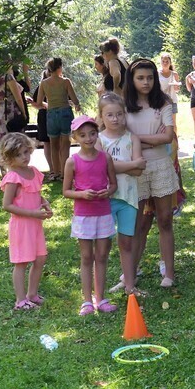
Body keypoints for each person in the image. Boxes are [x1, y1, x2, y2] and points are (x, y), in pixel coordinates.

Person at [124, 58, 179, 288]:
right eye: (140, 78)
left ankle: (169, 273)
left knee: (165, 219)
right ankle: (129, 274)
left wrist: (137, 139)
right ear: (132, 80)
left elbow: (167, 137)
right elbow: (120, 137)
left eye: (149, 78)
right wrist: (147, 141)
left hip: (161, 167)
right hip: (135, 169)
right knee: (138, 223)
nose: (145, 82)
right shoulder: (124, 106)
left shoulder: (163, 103)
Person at [63, 115, 119, 315]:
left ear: (97, 134)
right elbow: (66, 191)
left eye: (92, 133)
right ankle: (87, 301)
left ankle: (101, 298)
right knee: (87, 257)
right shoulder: (72, 161)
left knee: (102, 256)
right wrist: (82, 194)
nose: (88, 138)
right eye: (83, 135)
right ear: (75, 137)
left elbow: (113, 184)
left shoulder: (105, 157)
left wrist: (108, 191)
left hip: (103, 213)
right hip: (83, 215)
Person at [98, 93, 148, 299]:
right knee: (103, 245)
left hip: (128, 198)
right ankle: (98, 293)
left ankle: (130, 286)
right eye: (110, 115)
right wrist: (130, 165)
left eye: (119, 114)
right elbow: (101, 168)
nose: (115, 119)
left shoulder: (132, 138)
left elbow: (139, 170)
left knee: (127, 243)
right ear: (101, 116)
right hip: (105, 199)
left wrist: (115, 166)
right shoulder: (98, 139)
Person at [0, 132, 52, 310]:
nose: (25, 157)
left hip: (35, 224)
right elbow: (7, 205)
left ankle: (32, 294)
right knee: (21, 262)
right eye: (19, 154)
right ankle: (20, 301)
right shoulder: (13, 177)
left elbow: (34, 193)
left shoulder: (34, 172)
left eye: (26, 152)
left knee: (40, 258)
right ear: (9, 157)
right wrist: (31, 213)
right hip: (21, 226)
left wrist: (43, 203)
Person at [34, 57, 82, 183]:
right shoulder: (65, 81)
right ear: (60, 67)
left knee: (53, 145)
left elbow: (39, 102)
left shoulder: (43, 83)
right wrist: (76, 104)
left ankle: (55, 172)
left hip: (51, 114)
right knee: (65, 145)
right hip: (65, 113)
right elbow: (75, 99)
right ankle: (64, 173)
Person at [0, 66, 27, 173]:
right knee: (14, 139)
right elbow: (18, 98)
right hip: (10, 111)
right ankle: (16, 170)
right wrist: (24, 113)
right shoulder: (9, 77)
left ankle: (4, 173)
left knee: (1, 139)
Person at [158, 53, 183, 149]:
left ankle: (175, 143)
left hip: (172, 100)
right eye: (163, 61)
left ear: (170, 62)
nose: (165, 63)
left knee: (173, 122)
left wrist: (176, 86)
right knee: (160, 122)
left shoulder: (174, 74)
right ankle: (162, 142)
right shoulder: (157, 73)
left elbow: (177, 89)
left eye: (166, 61)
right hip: (160, 101)